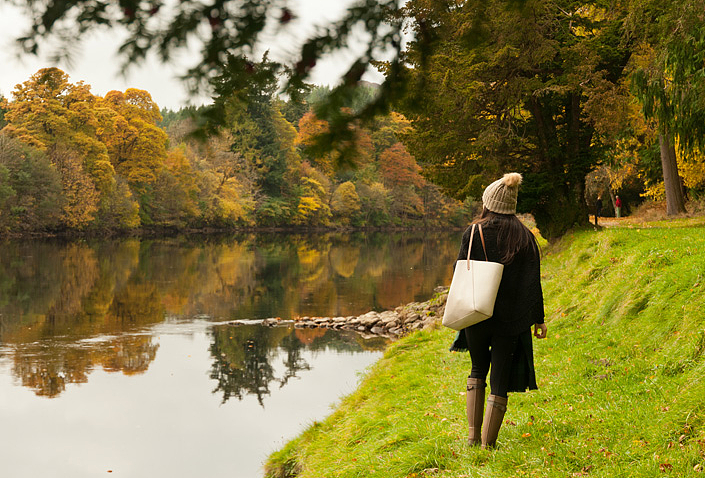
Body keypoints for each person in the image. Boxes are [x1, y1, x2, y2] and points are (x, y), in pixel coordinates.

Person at [450, 172, 547, 449]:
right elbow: (532, 283)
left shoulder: (474, 232)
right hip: (512, 319)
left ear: (489, 203)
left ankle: (471, 437)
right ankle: (488, 445)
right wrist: (538, 320)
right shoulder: (526, 237)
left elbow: (459, 271)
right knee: (500, 378)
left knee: (478, 368)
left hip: (476, 313)